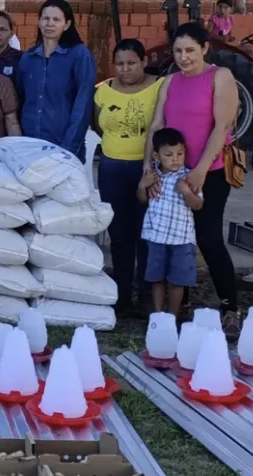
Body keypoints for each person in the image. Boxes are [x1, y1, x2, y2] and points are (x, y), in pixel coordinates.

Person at [145, 22, 240, 332]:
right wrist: (148, 167)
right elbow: (157, 125)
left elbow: (221, 127)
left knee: (208, 238)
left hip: (209, 172)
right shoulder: (170, 82)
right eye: (177, 51)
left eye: (190, 50)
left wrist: (200, 170)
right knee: (175, 237)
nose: (183, 57)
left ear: (204, 48)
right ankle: (178, 305)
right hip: (172, 175)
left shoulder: (220, 77)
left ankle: (230, 307)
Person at [92, 38, 162, 310]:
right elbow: (99, 127)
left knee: (146, 231)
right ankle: (121, 293)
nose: (125, 69)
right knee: (119, 233)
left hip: (147, 169)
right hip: (111, 168)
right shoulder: (103, 91)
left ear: (144, 61)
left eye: (132, 63)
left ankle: (145, 293)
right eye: (119, 64)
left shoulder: (159, 87)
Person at [18, 0, 96, 160]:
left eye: (56, 19)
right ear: (39, 22)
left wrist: (68, 149)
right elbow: (21, 100)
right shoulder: (28, 58)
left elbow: (83, 106)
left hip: (63, 147)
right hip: (29, 146)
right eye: (45, 18)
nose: (50, 23)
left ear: (66, 25)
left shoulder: (79, 55)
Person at [140, 127, 204, 316]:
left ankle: (173, 316)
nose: (175, 159)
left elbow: (198, 205)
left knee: (177, 281)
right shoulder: (152, 176)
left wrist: (186, 192)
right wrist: (142, 186)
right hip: (156, 237)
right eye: (168, 155)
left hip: (181, 240)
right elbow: (142, 200)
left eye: (180, 153)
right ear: (156, 156)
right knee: (157, 279)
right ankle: (158, 315)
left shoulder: (189, 177)